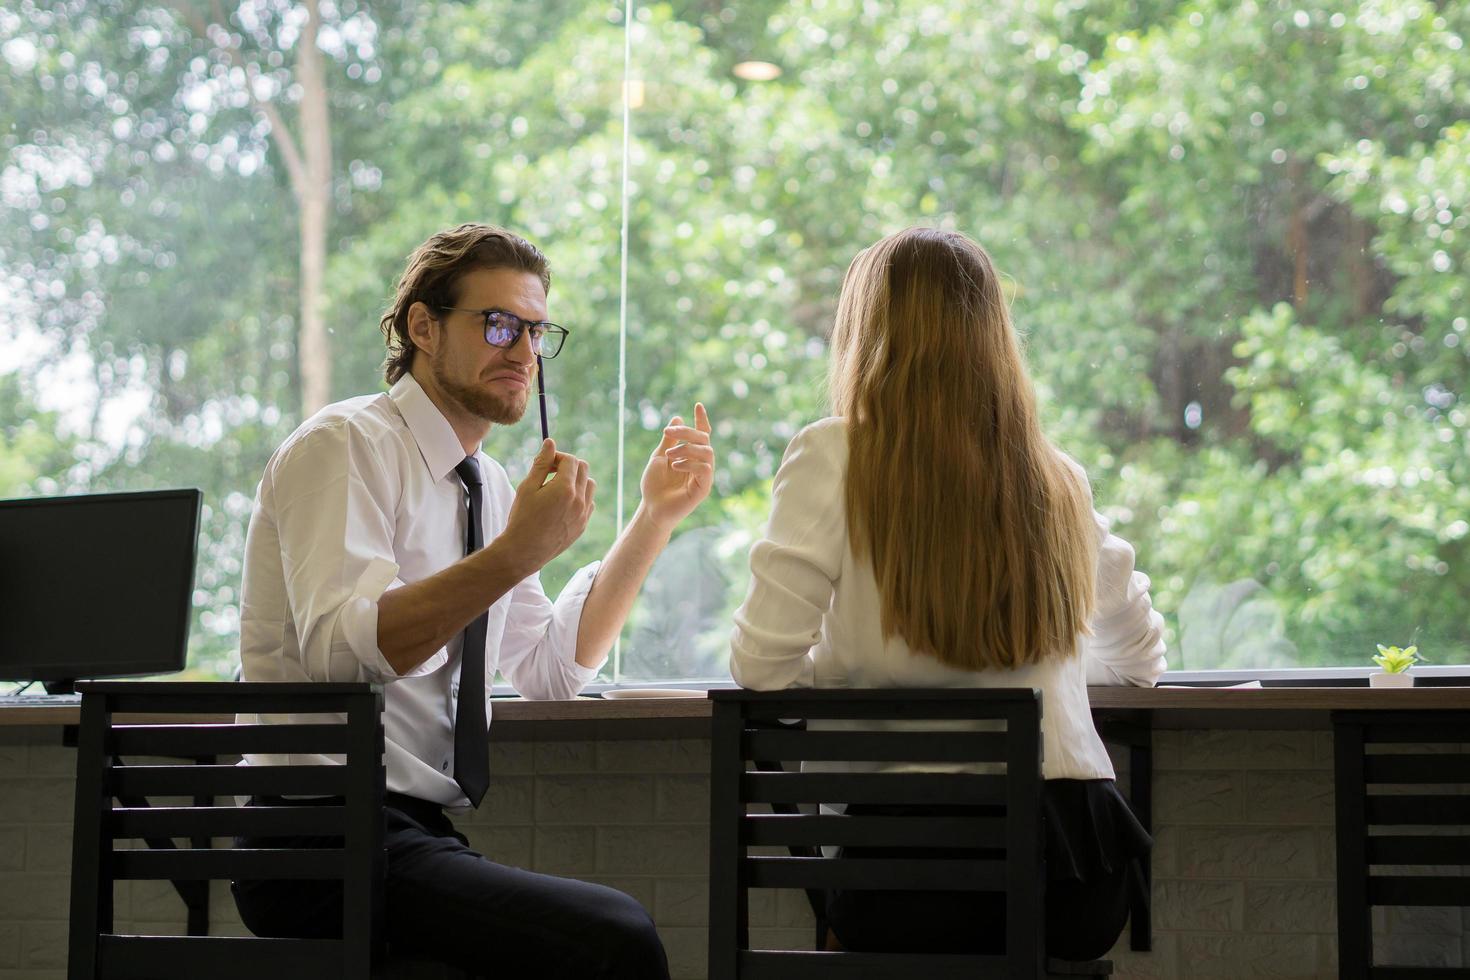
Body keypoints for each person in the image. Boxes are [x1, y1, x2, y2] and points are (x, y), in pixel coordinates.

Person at [233, 223, 716, 979]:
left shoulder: (485, 485)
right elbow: (347, 649)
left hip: (414, 835)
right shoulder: (345, 445)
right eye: (497, 325)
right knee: (615, 937)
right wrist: (516, 552)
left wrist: (654, 518)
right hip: (316, 840)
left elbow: (548, 670)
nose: (523, 351)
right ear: (423, 327)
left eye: (535, 331)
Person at [728, 227, 1166, 961]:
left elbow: (762, 669)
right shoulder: (1055, 477)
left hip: (906, 874)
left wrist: (861, 676)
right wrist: (1031, 676)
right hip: (1078, 875)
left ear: (868, 333)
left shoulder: (833, 454)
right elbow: (1139, 661)